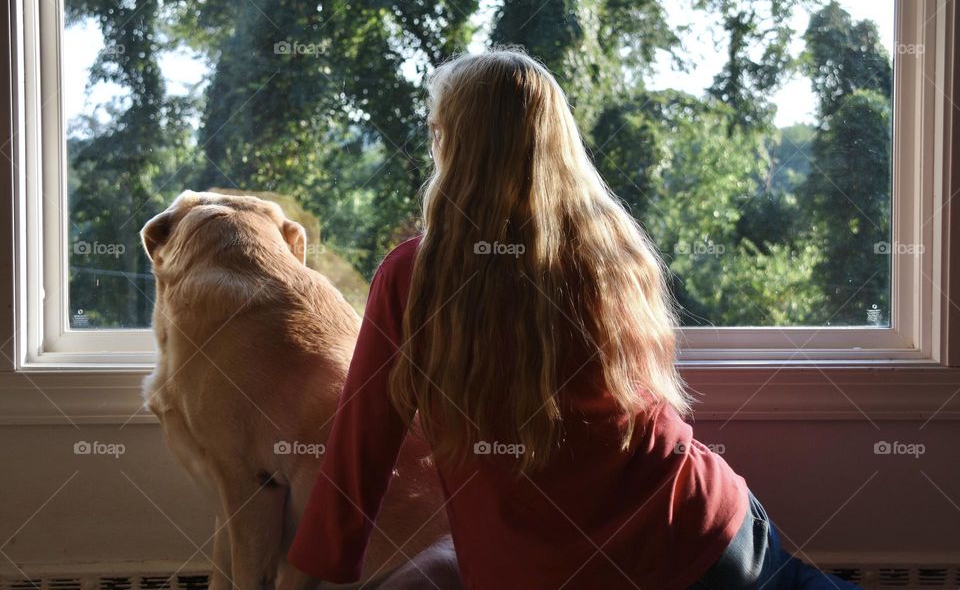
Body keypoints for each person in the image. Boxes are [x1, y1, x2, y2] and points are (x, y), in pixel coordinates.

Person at [283, 49, 860, 590]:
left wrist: (314, 568)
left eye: (437, 130)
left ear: (451, 143)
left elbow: (360, 448)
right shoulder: (614, 252)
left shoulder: (416, 276)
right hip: (706, 540)